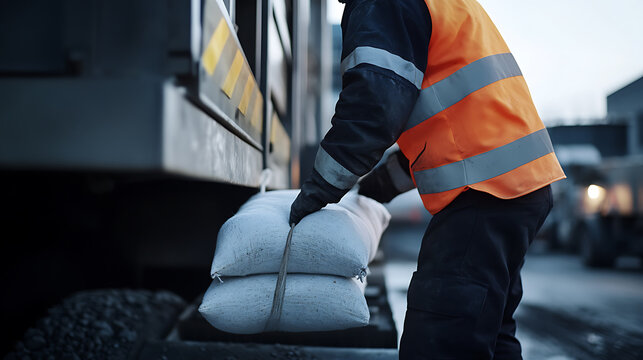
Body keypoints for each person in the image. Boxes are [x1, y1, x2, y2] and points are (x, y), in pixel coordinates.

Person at [289, 0, 566, 358]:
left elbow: (374, 102)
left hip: (483, 193)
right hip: (516, 186)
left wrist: (319, 187)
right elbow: (449, 119)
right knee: (489, 333)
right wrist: (382, 183)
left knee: (441, 339)